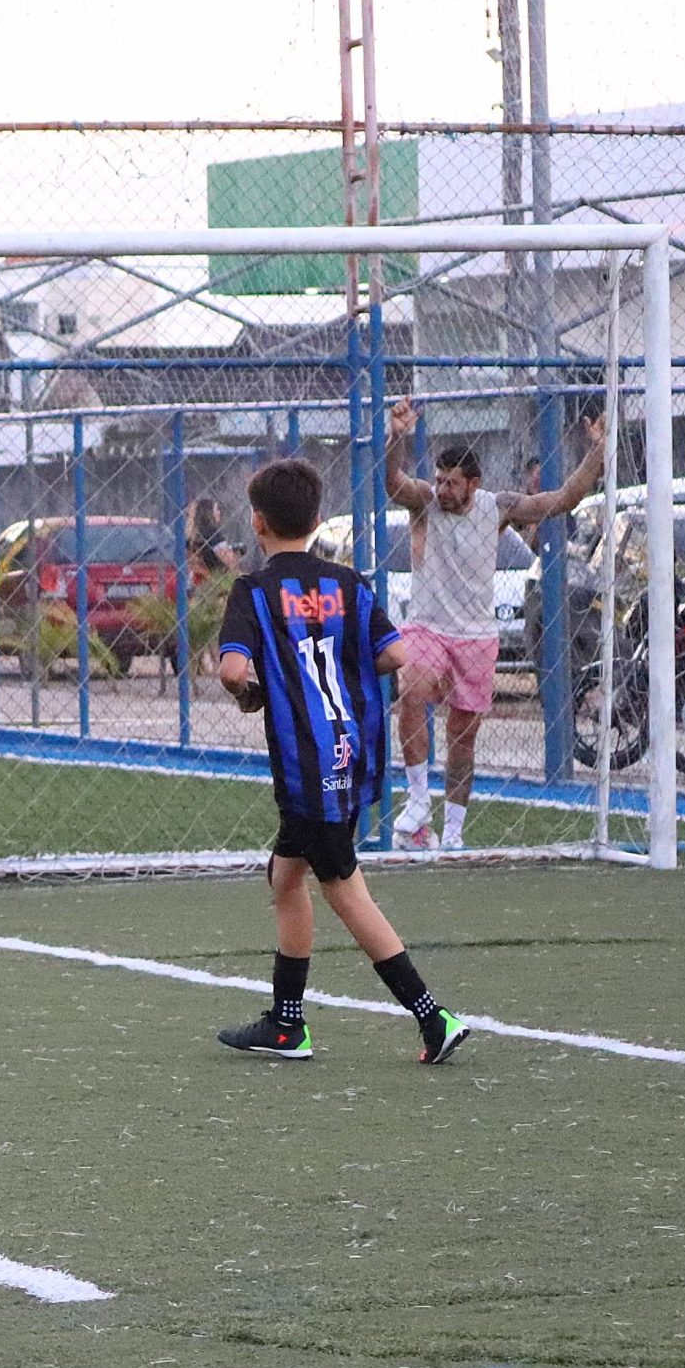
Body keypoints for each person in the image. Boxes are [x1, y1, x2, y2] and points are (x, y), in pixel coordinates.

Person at [213, 456, 470, 1065]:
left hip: (306, 764)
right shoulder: (349, 586)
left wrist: (254, 690)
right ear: (319, 519)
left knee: (344, 889)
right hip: (352, 754)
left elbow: (230, 670)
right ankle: (287, 1020)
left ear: (257, 523)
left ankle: (432, 1016)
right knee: (285, 875)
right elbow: (395, 654)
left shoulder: (254, 592)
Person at [384, 399, 611, 851]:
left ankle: (451, 834)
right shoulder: (424, 503)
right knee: (412, 690)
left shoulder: (498, 507)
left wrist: (597, 453)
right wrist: (397, 438)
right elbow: (393, 482)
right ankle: (415, 801)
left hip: (477, 636)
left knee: (463, 738)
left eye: (452, 482)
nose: (443, 489)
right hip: (427, 626)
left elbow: (563, 500)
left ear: (474, 483)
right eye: (439, 479)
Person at [187, 496, 239, 574]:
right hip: (218, 577)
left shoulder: (196, 534)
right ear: (209, 513)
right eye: (216, 509)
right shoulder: (212, 534)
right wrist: (236, 554)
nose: (219, 512)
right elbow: (229, 560)